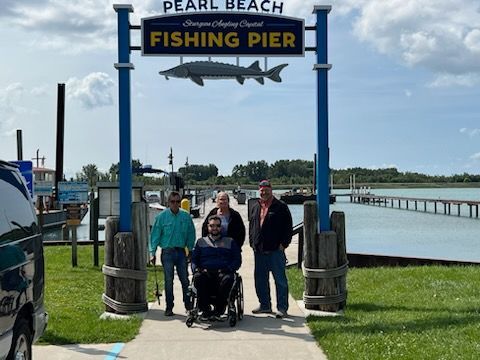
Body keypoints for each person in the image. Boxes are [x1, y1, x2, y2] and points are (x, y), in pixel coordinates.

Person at [249, 179, 293, 318]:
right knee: (260, 280)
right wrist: (252, 242)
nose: (264, 192)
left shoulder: (280, 206)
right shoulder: (255, 206)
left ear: (271, 190)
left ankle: (282, 308)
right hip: (259, 250)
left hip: (275, 251)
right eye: (262, 190)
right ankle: (265, 305)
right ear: (259, 190)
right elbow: (252, 225)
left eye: (266, 189)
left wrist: (284, 244)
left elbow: (288, 227)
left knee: (280, 280)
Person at [149, 191, 196, 316]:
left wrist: (190, 250)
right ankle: (169, 307)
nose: (175, 204)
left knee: (185, 280)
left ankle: (188, 306)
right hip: (167, 252)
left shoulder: (186, 216)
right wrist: (152, 253)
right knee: (168, 281)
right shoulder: (161, 217)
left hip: (181, 252)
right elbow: (155, 236)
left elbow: (191, 234)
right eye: (172, 201)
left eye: (177, 202)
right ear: (168, 202)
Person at [191, 215, 242, 320]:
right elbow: (194, 259)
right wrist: (196, 268)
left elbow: (237, 260)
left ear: (221, 227)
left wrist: (230, 268)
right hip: (206, 272)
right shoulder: (201, 242)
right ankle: (205, 309)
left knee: (228, 280)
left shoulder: (230, 241)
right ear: (208, 227)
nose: (215, 228)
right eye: (212, 226)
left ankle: (219, 309)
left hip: (223, 272)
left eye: (217, 226)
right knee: (198, 278)